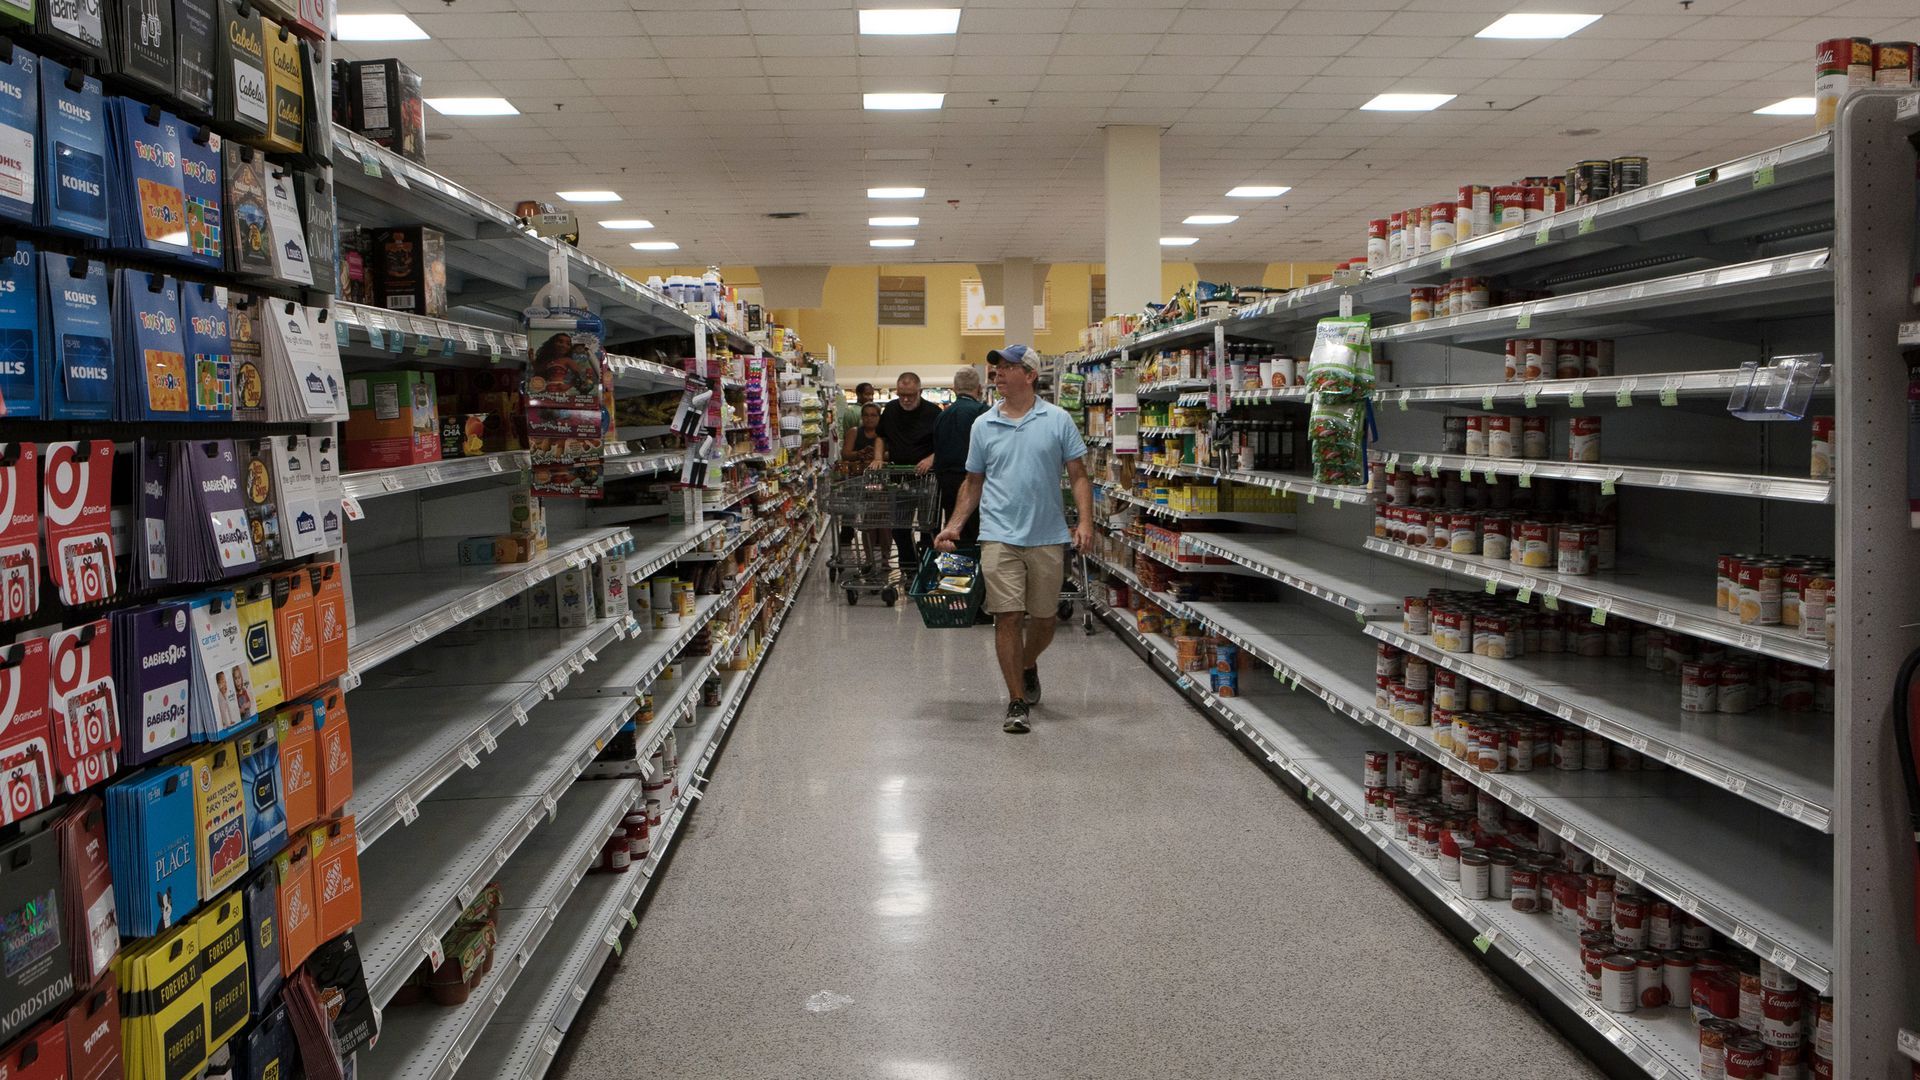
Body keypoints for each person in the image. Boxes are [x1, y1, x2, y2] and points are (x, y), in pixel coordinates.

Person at [934, 345, 1094, 734]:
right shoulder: (983, 425)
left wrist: (1086, 523)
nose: (998, 374)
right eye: (996, 368)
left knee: (1044, 620)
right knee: (1007, 616)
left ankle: (1027, 663)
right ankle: (1016, 700)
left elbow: (1078, 476)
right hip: (998, 535)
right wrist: (955, 524)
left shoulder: (1057, 420)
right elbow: (973, 483)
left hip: (1047, 535)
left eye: (1008, 368)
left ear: (1030, 375)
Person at [868, 372, 942, 573]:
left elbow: (943, 444)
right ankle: (909, 570)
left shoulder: (933, 413)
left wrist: (930, 459)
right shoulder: (891, 410)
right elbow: (881, 437)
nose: (906, 399)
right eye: (901, 395)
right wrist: (878, 458)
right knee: (900, 528)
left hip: (928, 479)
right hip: (898, 478)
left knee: (929, 528)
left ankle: (928, 569)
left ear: (920, 391)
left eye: (910, 395)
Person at [932, 366, 988, 545]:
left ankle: (956, 569)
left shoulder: (943, 415)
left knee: (953, 528)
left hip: (947, 482)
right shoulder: (983, 412)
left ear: (954, 388)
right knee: (976, 531)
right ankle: (976, 568)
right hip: (975, 482)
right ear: (978, 388)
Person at [841, 403, 889, 568]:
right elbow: (845, 453)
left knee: (884, 523)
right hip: (859, 483)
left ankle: (884, 559)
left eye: (873, 415)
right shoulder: (854, 432)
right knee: (868, 523)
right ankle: (869, 560)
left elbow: (892, 453)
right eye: (866, 415)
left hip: (882, 484)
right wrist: (860, 454)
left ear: (879, 417)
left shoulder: (884, 434)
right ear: (862, 417)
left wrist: (880, 456)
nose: (869, 418)